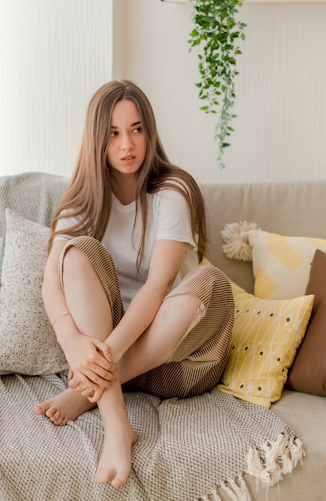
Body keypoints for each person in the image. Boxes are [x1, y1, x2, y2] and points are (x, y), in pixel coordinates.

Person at [34, 80, 234, 488]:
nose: (127, 144)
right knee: (75, 254)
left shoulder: (171, 191)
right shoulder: (83, 200)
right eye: (113, 133)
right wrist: (73, 343)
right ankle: (117, 425)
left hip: (178, 359)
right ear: (97, 140)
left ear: (149, 132)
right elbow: (50, 283)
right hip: (118, 351)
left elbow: (157, 287)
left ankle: (88, 392)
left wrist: (97, 365)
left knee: (211, 283)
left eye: (136, 129)